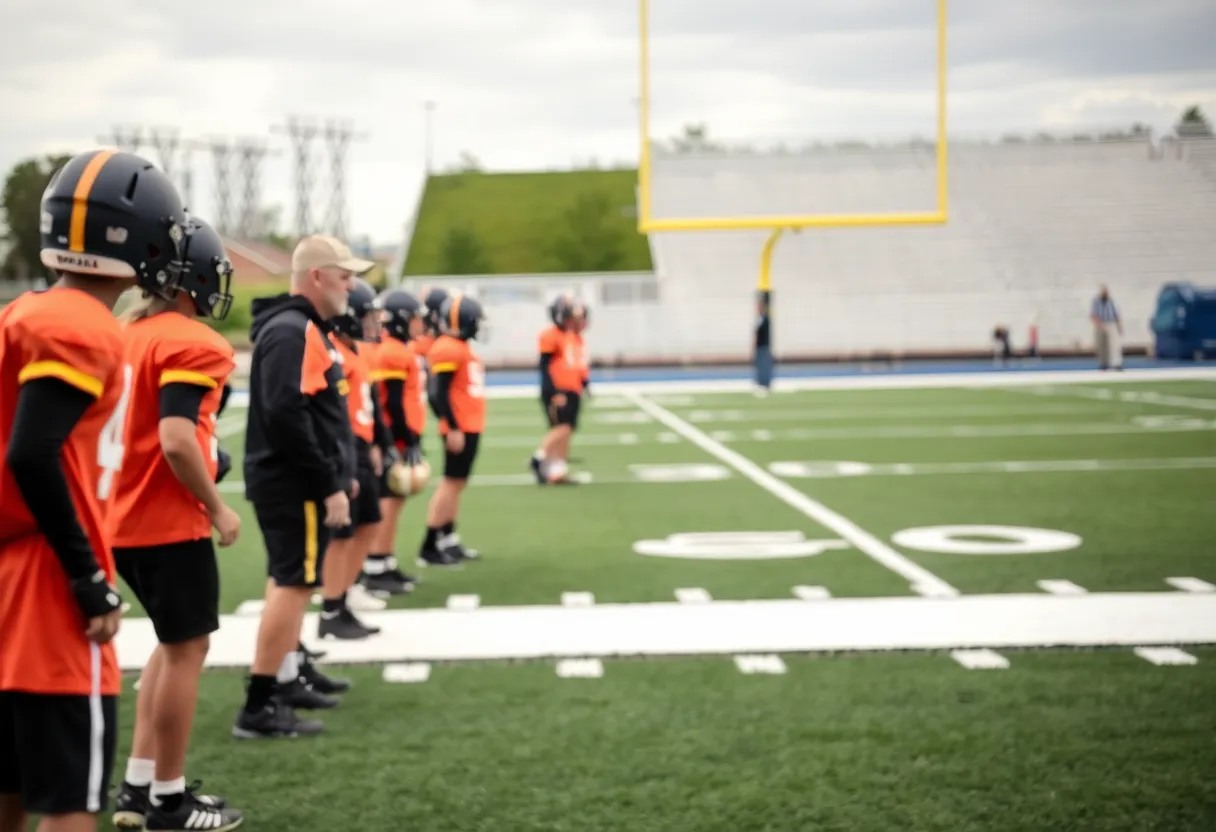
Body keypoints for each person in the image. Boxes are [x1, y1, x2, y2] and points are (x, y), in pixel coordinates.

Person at [0, 149, 185, 832]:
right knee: (72, 803)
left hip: (16, 562)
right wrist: (86, 576)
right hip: (46, 577)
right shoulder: (79, 323)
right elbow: (33, 452)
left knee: (16, 785)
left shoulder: (29, 309)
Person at [107, 218, 244, 831]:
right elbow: (175, 438)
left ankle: (137, 787)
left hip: (118, 515)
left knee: (170, 643)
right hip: (165, 519)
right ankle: (169, 797)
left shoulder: (124, 333)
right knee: (189, 649)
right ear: (188, 278)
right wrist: (217, 504)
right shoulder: (191, 342)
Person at [234, 235, 372, 740]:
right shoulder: (293, 332)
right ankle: (259, 702)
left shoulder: (302, 328)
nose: (350, 285)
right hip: (291, 482)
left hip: (290, 479)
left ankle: (286, 676)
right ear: (316, 276)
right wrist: (327, 481)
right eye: (344, 275)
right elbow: (285, 414)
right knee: (292, 585)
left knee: (290, 582)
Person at [315, 278, 394, 639]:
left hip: (361, 445)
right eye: (367, 316)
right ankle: (333, 607)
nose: (373, 323)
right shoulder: (331, 352)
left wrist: (377, 442)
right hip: (344, 447)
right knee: (343, 533)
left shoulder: (354, 352)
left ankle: (345, 592)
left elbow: (368, 403)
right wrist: (345, 458)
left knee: (368, 524)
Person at [361, 288, 429, 597]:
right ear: (402, 319)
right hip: (394, 436)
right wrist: (407, 438)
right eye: (415, 318)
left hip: (394, 435)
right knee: (389, 502)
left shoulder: (395, 349)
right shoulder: (393, 352)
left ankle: (384, 560)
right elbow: (394, 403)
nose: (420, 324)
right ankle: (376, 564)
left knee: (394, 501)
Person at [419, 294, 487, 566]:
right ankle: (429, 545)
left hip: (469, 424)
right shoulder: (447, 347)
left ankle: (447, 538)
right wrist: (454, 426)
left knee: (457, 484)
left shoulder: (458, 347)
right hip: (460, 426)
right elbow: (437, 393)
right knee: (450, 483)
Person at [530, 295, 584, 485]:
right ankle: (538, 459)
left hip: (571, 388)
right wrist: (554, 392)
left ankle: (557, 470)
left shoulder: (570, 336)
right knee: (561, 428)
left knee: (567, 430)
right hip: (558, 389)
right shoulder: (550, 336)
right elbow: (545, 367)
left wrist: (583, 383)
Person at [1091, 285, 1123, 371]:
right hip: (1100, 324)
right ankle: (1103, 363)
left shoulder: (1111, 301)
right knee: (1101, 345)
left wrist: (1119, 326)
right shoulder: (1096, 301)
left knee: (1114, 344)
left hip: (1110, 323)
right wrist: (1100, 324)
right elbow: (1093, 314)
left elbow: (1116, 314)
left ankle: (1116, 363)